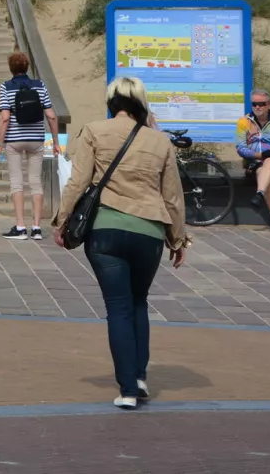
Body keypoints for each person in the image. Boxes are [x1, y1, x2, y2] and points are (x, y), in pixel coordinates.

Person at [54, 76, 190, 409]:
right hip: (149, 233)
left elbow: (78, 181)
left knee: (118, 307)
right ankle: (140, 377)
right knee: (139, 301)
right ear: (141, 103)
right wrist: (178, 239)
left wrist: (61, 220)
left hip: (106, 230)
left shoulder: (94, 131)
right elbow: (173, 196)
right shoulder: (160, 142)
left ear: (112, 102)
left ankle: (127, 389)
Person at [0, 50, 62, 240]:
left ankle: (20, 226)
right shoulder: (39, 86)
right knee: (35, 182)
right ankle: (37, 227)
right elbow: (51, 115)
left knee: (17, 182)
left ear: (11, 68)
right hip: (36, 139)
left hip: (14, 140)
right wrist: (56, 142)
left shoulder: (6, 87)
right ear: (27, 67)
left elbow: (5, 118)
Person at [236, 89, 270, 231]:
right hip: (253, 162)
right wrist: (260, 155)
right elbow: (240, 148)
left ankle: (259, 194)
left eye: (261, 104)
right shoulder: (243, 122)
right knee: (267, 174)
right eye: (254, 104)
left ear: (269, 104)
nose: (258, 107)